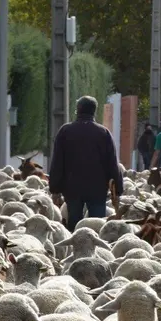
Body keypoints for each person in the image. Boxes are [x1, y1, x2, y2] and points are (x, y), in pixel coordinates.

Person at [49, 95, 123, 231]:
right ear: (94, 111)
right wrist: (118, 189)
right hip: (97, 189)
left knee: (74, 223)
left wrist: (55, 188)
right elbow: (112, 162)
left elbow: (57, 162)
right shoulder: (103, 133)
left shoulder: (65, 131)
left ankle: (74, 248)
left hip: (72, 188)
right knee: (97, 225)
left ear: (78, 109)